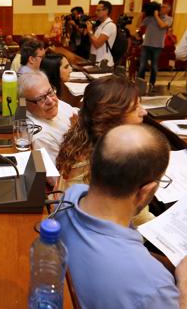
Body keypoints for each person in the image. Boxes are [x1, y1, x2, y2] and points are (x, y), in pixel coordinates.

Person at [57, 124, 187, 309]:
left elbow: (118, 250)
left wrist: (175, 267)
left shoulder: (72, 196)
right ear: (146, 191)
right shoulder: (152, 286)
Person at [56, 75, 153, 226]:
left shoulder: (81, 140)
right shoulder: (110, 164)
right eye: (135, 108)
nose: (144, 112)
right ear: (113, 119)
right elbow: (137, 219)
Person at [19, 71, 79, 164]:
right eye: (40, 99)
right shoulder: (41, 137)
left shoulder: (51, 102)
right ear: (25, 103)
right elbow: (61, 173)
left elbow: (76, 112)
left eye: (50, 92)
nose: (50, 101)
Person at [138, 2, 173, 92]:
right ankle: (140, 84)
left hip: (158, 46)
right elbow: (138, 25)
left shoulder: (169, 19)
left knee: (154, 66)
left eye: (164, 7)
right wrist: (142, 14)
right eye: (161, 7)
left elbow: (162, 26)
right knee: (142, 66)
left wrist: (156, 16)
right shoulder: (150, 18)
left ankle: (151, 84)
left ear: (168, 10)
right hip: (146, 45)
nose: (161, 8)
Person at [87, 0, 117, 69]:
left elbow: (97, 44)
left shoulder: (110, 25)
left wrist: (90, 31)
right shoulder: (101, 25)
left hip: (104, 63)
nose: (96, 12)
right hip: (96, 61)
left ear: (106, 11)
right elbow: (92, 41)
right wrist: (89, 32)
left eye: (98, 10)